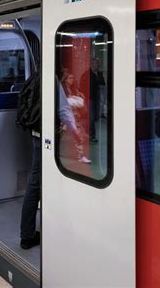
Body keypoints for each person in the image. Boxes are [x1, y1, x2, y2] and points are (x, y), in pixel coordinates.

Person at [20, 79, 83, 249]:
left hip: (36, 133)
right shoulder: (53, 80)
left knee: (36, 181)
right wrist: (76, 132)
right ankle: (27, 235)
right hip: (46, 136)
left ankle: (31, 231)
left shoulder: (36, 76)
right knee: (36, 183)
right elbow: (63, 110)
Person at [62, 72, 91, 164]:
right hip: (66, 117)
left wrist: (79, 97)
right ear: (65, 80)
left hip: (74, 117)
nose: (72, 80)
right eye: (70, 78)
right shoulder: (62, 90)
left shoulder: (74, 90)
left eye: (73, 78)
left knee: (78, 136)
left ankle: (81, 156)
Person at [82, 58, 106, 142]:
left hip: (97, 98)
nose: (98, 65)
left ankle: (85, 131)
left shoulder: (99, 74)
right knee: (91, 117)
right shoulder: (86, 74)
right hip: (89, 99)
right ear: (92, 64)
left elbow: (103, 84)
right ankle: (92, 135)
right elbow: (82, 87)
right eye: (97, 63)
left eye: (98, 63)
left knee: (95, 117)